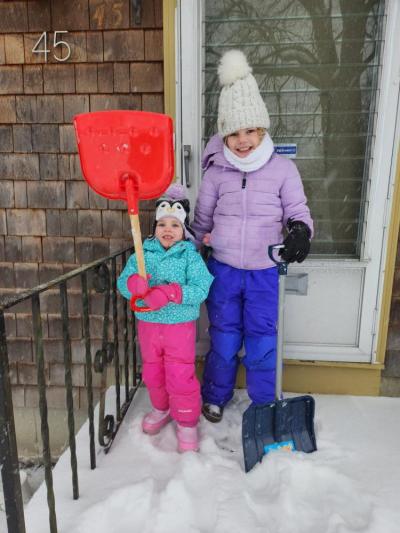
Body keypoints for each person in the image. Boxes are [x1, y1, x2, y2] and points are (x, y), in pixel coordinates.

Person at [191, 50, 313, 423]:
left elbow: (298, 210)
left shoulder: (282, 170)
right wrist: (192, 254)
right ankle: (215, 395)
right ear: (224, 135)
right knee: (224, 338)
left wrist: (300, 232)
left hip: (265, 271)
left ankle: (263, 403)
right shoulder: (215, 173)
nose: (242, 141)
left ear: (262, 130)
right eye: (233, 133)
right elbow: (201, 220)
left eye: (249, 131)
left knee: (262, 339)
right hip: (224, 270)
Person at [117, 184, 213, 451]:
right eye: (162, 225)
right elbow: (123, 283)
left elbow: (201, 288)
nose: (168, 230)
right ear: (154, 228)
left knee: (179, 373)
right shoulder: (142, 254)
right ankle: (161, 408)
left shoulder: (190, 257)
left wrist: (170, 293)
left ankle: (186, 421)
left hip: (178, 328)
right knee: (153, 371)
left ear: (184, 231)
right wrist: (133, 285)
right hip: (148, 325)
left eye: (175, 225)